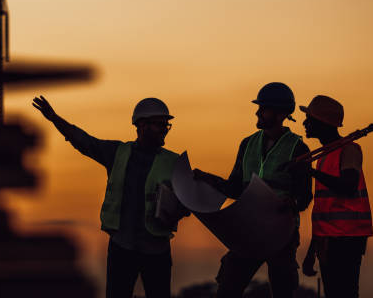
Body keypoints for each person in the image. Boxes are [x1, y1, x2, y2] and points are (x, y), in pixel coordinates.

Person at [32, 95, 188, 298]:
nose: (163, 129)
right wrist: (54, 118)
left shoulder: (175, 163)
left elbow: (190, 202)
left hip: (156, 250)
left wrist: (176, 210)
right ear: (141, 125)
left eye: (166, 125)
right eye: (159, 124)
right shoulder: (117, 153)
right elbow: (84, 141)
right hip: (123, 248)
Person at [193, 82, 312, 298]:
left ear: (280, 114)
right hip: (249, 230)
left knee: (282, 290)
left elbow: (305, 197)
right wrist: (207, 179)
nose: (257, 112)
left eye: (263, 108)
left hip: (281, 234)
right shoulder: (247, 144)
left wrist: (291, 202)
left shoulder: (298, 149)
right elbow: (236, 188)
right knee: (228, 288)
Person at [299, 95, 373, 298]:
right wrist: (312, 251)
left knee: (344, 293)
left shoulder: (349, 150)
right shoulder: (325, 156)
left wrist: (311, 172)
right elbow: (324, 210)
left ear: (323, 123)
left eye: (310, 119)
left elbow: (348, 186)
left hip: (347, 239)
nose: (305, 123)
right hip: (329, 239)